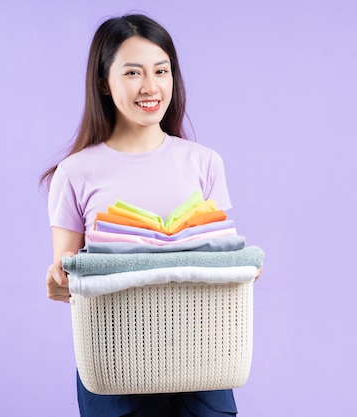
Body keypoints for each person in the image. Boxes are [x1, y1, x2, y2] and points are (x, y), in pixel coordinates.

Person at [42, 14, 252, 417]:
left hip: (204, 363)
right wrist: (59, 281)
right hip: (115, 365)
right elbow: (64, 275)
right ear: (104, 82)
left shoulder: (204, 163)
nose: (150, 86)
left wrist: (243, 270)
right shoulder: (75, 173)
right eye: (133, 73)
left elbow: (221, 254)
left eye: (161, 70)